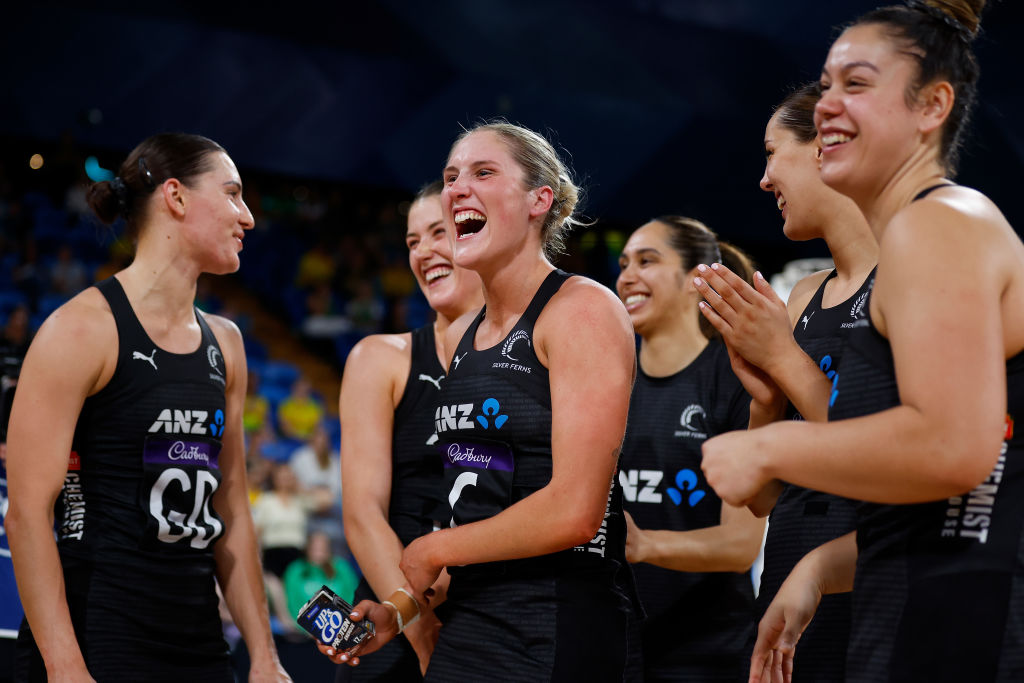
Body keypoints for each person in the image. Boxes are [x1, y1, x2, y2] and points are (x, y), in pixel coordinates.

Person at [699, 2, 1024, 681]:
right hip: (916, 613)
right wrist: (818, 566)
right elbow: (941, 507)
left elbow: (954, 448)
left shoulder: (939, 222)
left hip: (959, 631)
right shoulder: (926, 233)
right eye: (826, 85)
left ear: (932, 106)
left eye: (857, 84)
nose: (827, 106)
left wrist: (766, 442)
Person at [328, 122, 638, 681]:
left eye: (483, 172)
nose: (456, 189)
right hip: (471, 624)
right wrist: (399, 613)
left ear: (539, 200)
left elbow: (574, 511)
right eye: (450, 177)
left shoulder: (582, 309)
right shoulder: (472, 341)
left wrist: (430, 549)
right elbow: (480, 516)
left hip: (553, 623)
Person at [4, 133, 290, 681]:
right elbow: (26, 516)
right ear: (176, 198)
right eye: (232, 195)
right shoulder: (79, 329)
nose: (247, 217)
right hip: (99, 631)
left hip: (199, 635)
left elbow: (230, 509)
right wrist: (65, 666)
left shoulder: (227, 343)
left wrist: (265, 657)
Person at [693, 83, 878, 682]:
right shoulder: (804, 295)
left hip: (869, 586)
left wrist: (786, 359)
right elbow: (768, 497)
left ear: (825, 147)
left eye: (772, 153)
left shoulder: (909, 280)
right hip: (787, 587)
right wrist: (766, 401)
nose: (764, 180)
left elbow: (892, 459)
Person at [334, 179, 483, 681]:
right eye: (413, 242)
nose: (423, 253)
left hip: (493, 610)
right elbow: (361, 514)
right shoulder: (379, 358)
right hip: (389, 613)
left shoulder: (533, 357)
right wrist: (418, 627)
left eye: (438, 233)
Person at [615, 216, 763, 681]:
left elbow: (742, 544)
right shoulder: (604, 376)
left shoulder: (733, 376)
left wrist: (643, 544)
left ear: (695, 281)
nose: (627, 276)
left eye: (647, 260)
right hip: (612, 640)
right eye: (623, 263)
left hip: (705, 651)